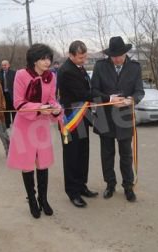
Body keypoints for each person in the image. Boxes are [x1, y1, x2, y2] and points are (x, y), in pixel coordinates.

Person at [7, 44, 62, 219]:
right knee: (27, 163)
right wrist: (39, 108)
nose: (47, 62)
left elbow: (53, 99)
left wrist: (56, 109)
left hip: (42, 125)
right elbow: (18, 102)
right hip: (25, 124)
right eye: (43, 58)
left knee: (42, 162)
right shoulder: (21, 75)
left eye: (49, 59)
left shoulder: (51, 77)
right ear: (34, 59)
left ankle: (43, 199)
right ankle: (32, 199)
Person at [91, 36, 144, 202]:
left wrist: (131, 100)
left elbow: (139, 91)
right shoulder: (100, 66)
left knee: (126, 154)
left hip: (125, 115)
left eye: (119, 56)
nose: (116, 60)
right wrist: (109, 99)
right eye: (113, 57)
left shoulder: (135, 67)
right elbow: (93, 90)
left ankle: (128, 186)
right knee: (107, 154)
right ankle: (110, 184)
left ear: (125, 53)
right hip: (104, 115)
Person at [58, 40, 98, 208]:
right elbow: (83, 93)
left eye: (85, 56)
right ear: (71, 55)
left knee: (83, 153)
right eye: (80, 57)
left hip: (83, 117)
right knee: (71, 156)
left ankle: (82, 186)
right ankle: (72, 192)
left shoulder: (79, 68)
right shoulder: (66, 71)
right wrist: (108, 97)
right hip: (70, 120)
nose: (84, 60)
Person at [0, 60, 16, 129]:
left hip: (12, 94)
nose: (4, 66)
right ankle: (7, 123)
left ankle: (15, 122)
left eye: (5, 65)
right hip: (3, 94)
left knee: (13, 109)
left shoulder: (14, 73)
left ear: (8, 65)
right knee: (5, 109)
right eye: (3, 65)